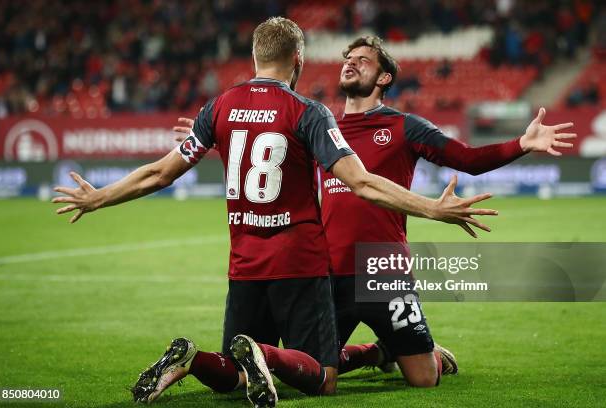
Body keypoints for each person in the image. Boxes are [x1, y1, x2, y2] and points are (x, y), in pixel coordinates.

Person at [52, 19, 498, 407]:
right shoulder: (308, 111)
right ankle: (267, 354)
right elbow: (361, 182)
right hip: (299, 263)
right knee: (322, 379)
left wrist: (98, 198)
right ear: (298, 59)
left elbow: (158, 174)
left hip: (244, 266)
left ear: (254, 56)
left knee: (232, 374)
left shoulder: (219, 107)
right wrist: (432, 209)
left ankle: (195, 359)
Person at [173, 36, 576, 389]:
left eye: (362, 60)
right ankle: (375, 353)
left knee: (424, 378)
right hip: (325, 269)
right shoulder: (319, 124)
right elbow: (269, 156)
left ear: (384, 78)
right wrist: (212, 135)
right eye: (348, 58)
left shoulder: (404, 127)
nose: (350, 63)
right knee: (310, 370)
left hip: (383, 270)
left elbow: (466, 158)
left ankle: (404, 352)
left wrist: (521, 144)